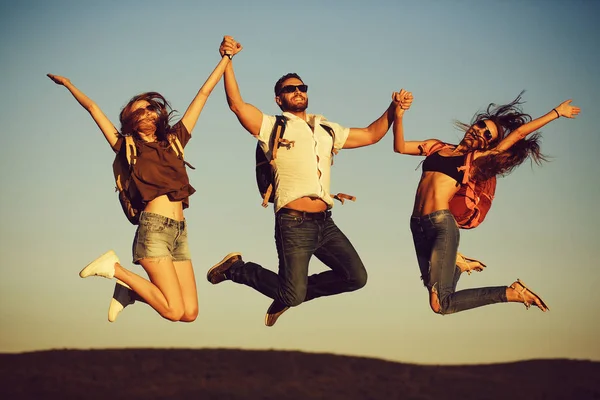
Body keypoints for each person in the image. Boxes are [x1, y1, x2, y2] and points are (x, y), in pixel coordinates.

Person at [206, 36, 414, 327]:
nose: (298, 92)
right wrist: (228, 60)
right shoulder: (272, 126)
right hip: (293, 223)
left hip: (325, 223)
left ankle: (290, 292)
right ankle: (237, 269)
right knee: (293, 292)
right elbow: (237, 105)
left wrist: (394, 110)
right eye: (290, 89)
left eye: (301, 87)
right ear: (279, 98)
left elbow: (370, 134)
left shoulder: (327, 127)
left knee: (356, 277)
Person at [47, 43, 236, 323]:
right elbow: (93, 108)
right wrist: (69, 85)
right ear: (130, 122)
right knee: (173, 311)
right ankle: (115, 269)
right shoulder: (127, 147)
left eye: (149, 109)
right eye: (138, 112)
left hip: (180, 232)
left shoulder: (175, 140)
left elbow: (204, 94)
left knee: (190, 313)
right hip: (154, 230)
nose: (146, 114)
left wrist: (227, 58)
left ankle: (130, 291)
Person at [392, 89, 580, 315]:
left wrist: (556, 113)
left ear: (487, 144)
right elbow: (400, 146)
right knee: (439, 295)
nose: (480, 132)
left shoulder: (474, 160)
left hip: (441, 225)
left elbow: (518, 133)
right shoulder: (437, 147)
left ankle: (511, 292)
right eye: (481, 126)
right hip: (417, 224)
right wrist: (399, 114)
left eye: (487, 135)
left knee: (439, 303)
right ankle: (458, 266)